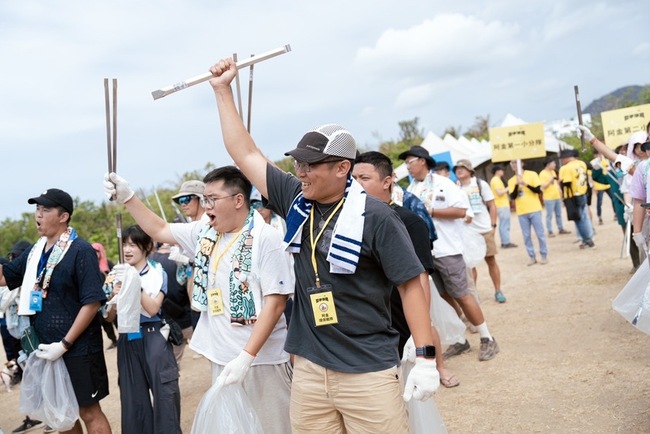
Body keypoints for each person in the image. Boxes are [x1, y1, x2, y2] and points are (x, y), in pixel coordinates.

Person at [207, 58, 439, 434]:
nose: (300, 172)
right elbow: (245, 153)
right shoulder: (296, 197)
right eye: (298, 163)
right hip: (311, 368)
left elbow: (410, 283)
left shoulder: (376, 217)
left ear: (342, 168)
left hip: (367, 369)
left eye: (311, 164)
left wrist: (426, 355)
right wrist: (222, 90)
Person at [104, 166, 295, 433]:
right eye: (204, 199)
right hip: (222, 358)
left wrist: (246, 357)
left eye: (212, 199)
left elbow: (276, 303)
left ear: (238, 200)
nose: (206, 206)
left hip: (260, 361)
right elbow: (159, 229)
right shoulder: (206, 233)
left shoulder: (266, 238)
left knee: (271, 428)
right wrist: (128, 197)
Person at [0, 188, 112, 434]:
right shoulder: (35, 251)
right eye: (36, 209)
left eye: (45, 210)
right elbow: (5, 276)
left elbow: (92, 302)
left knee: (89, 411)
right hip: (43, 347)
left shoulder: (80, 250)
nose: (38, 215)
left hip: (78, 347)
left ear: (63, 216)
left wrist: (64, 343)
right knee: (62, 413)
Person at [354, 151, 459, 388]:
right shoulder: (351, 220)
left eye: (364, 177)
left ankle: (439, 366)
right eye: (354, 178)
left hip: (403, 307)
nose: (357, 184)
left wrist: (419, 335)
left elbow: (420, 277)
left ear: (387, 181)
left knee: (423, 329)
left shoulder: (408, 220)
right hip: (375, 313)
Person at [398, 145, 499, 362]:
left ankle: (487, 337)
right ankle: (459, 339)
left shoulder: (445, 184)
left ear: (422, 161)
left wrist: (430, 211)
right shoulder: (411, 189)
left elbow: (462, 211)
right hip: (425, 253)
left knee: (462, 294)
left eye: (410, 162)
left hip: (448, 249)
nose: (407, 167)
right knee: (444, 297)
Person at [104, 225, 181, 434]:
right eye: (125, 244)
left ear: (147, 246)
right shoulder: (116, 273)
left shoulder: (157, 272)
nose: (127, 249)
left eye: (133, 245)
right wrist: (112, 297)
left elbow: (153, 308)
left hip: (153, 335)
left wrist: (133, 284)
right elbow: (109, 317)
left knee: (165, 396)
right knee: (133, 402)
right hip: (127, 338)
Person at [453, 159, 506, 303]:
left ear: (470, 170)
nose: (459, 170)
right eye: (456, 168)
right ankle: (474, 294)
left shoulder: (481, 184)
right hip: (467, 231)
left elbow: (492, 205)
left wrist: (493, 225)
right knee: (470, 265)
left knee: (491, 260)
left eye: (462, 167)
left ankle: (498, 290)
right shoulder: (455, 188)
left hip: (484, 228)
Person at [149, 242, 193, 368]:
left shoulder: (150, 261)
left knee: (174, 360)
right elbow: (188, 287)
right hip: (187, 317)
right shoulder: (180, 259)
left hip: (166, 319)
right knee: (210, 351)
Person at [171, 180, 206, 331]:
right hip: (194, 278)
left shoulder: (207, 223)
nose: (183, 204)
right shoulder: (191, 225)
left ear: (201, 199)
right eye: (180, 201)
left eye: (186, 199)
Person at [507, 160, 548, 265]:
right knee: (526, 236)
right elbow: (512, 196)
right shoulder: (511, 180)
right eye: (512, 164)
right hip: (522, 211)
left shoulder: (532, 174)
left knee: (540, 234)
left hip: (534, 209)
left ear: (522, 164)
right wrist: (517, 185)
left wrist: (525, 184)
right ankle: (532, 256)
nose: (514, 165)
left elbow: (538, 190)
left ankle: (544, 255)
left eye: (516, 163)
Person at [558, 149, 595, 249]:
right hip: (583, 192)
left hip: (572, 196)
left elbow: (565, 183)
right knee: (584, 216)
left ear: (565, 158)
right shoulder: (582, 164)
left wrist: (562, 196)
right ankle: (590, 236)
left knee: (578, 219)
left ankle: (587, 240)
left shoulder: (565, 168)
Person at [92, 242, 118, 350]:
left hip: (112, 296)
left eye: (97, 252)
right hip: (99, 298)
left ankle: (123, 338)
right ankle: (113, 340)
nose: (95, 254)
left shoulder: (108, 264)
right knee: (105, 321)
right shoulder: (91, 266)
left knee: (116, 318)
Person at [539, 158, 570, 237]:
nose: (555, 165)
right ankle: (550, 231)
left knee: (558, 214)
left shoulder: (553, 172)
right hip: (549, 198)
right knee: (549, 215)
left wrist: (560, 192)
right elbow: (543, 186)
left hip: (557, 196)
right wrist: (550, 180)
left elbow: (556, 184)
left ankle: (560, 228)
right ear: (548, 164)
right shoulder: (542, 173)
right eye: (553, 163)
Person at [490, 164, 517, 248]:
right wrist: (509, 187)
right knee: (505, 223)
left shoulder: (496, 179)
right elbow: (499, 192)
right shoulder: (496, 180)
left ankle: (505, 241)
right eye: (501, 170)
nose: (503, 172)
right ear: (497, 171)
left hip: (501, 204)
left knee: (503, 223)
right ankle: (506, 242)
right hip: (501, 204)